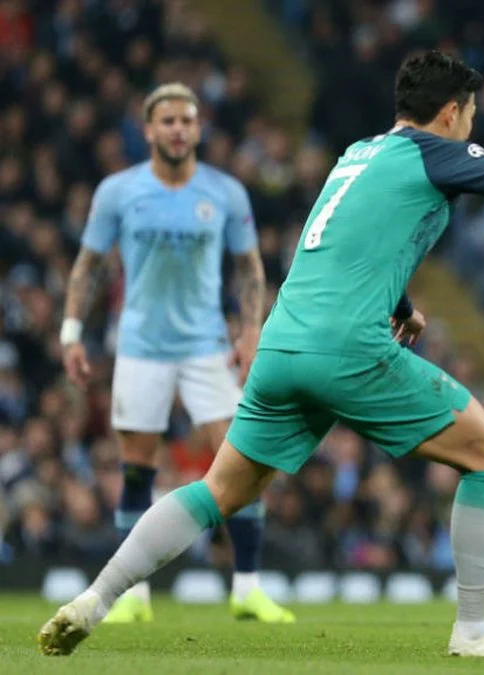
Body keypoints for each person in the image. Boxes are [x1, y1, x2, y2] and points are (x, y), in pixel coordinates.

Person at [38, 50, 484, 659]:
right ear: (452, 112)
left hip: (284, 341)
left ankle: (97, 598)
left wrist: (401, 304)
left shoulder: (356, 154)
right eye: (471, 114)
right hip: (345, 346)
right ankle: (476, 629)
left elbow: (343, 243)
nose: (472, 125)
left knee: (219, 490)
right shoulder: (437, 151)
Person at [58, 83, 293, 624]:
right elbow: (88, 265)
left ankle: (247, 588)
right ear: (148, 130)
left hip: (207, 346)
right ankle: (133, 597)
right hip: (140, 347)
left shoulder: (225, 192)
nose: (179, 129)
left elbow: (249, 267)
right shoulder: (118, 192)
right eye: (168, 121)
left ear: (199, 128)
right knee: (136, 470)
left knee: (244, 462)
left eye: (187, 120)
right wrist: (71, 331)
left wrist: (251, 331)